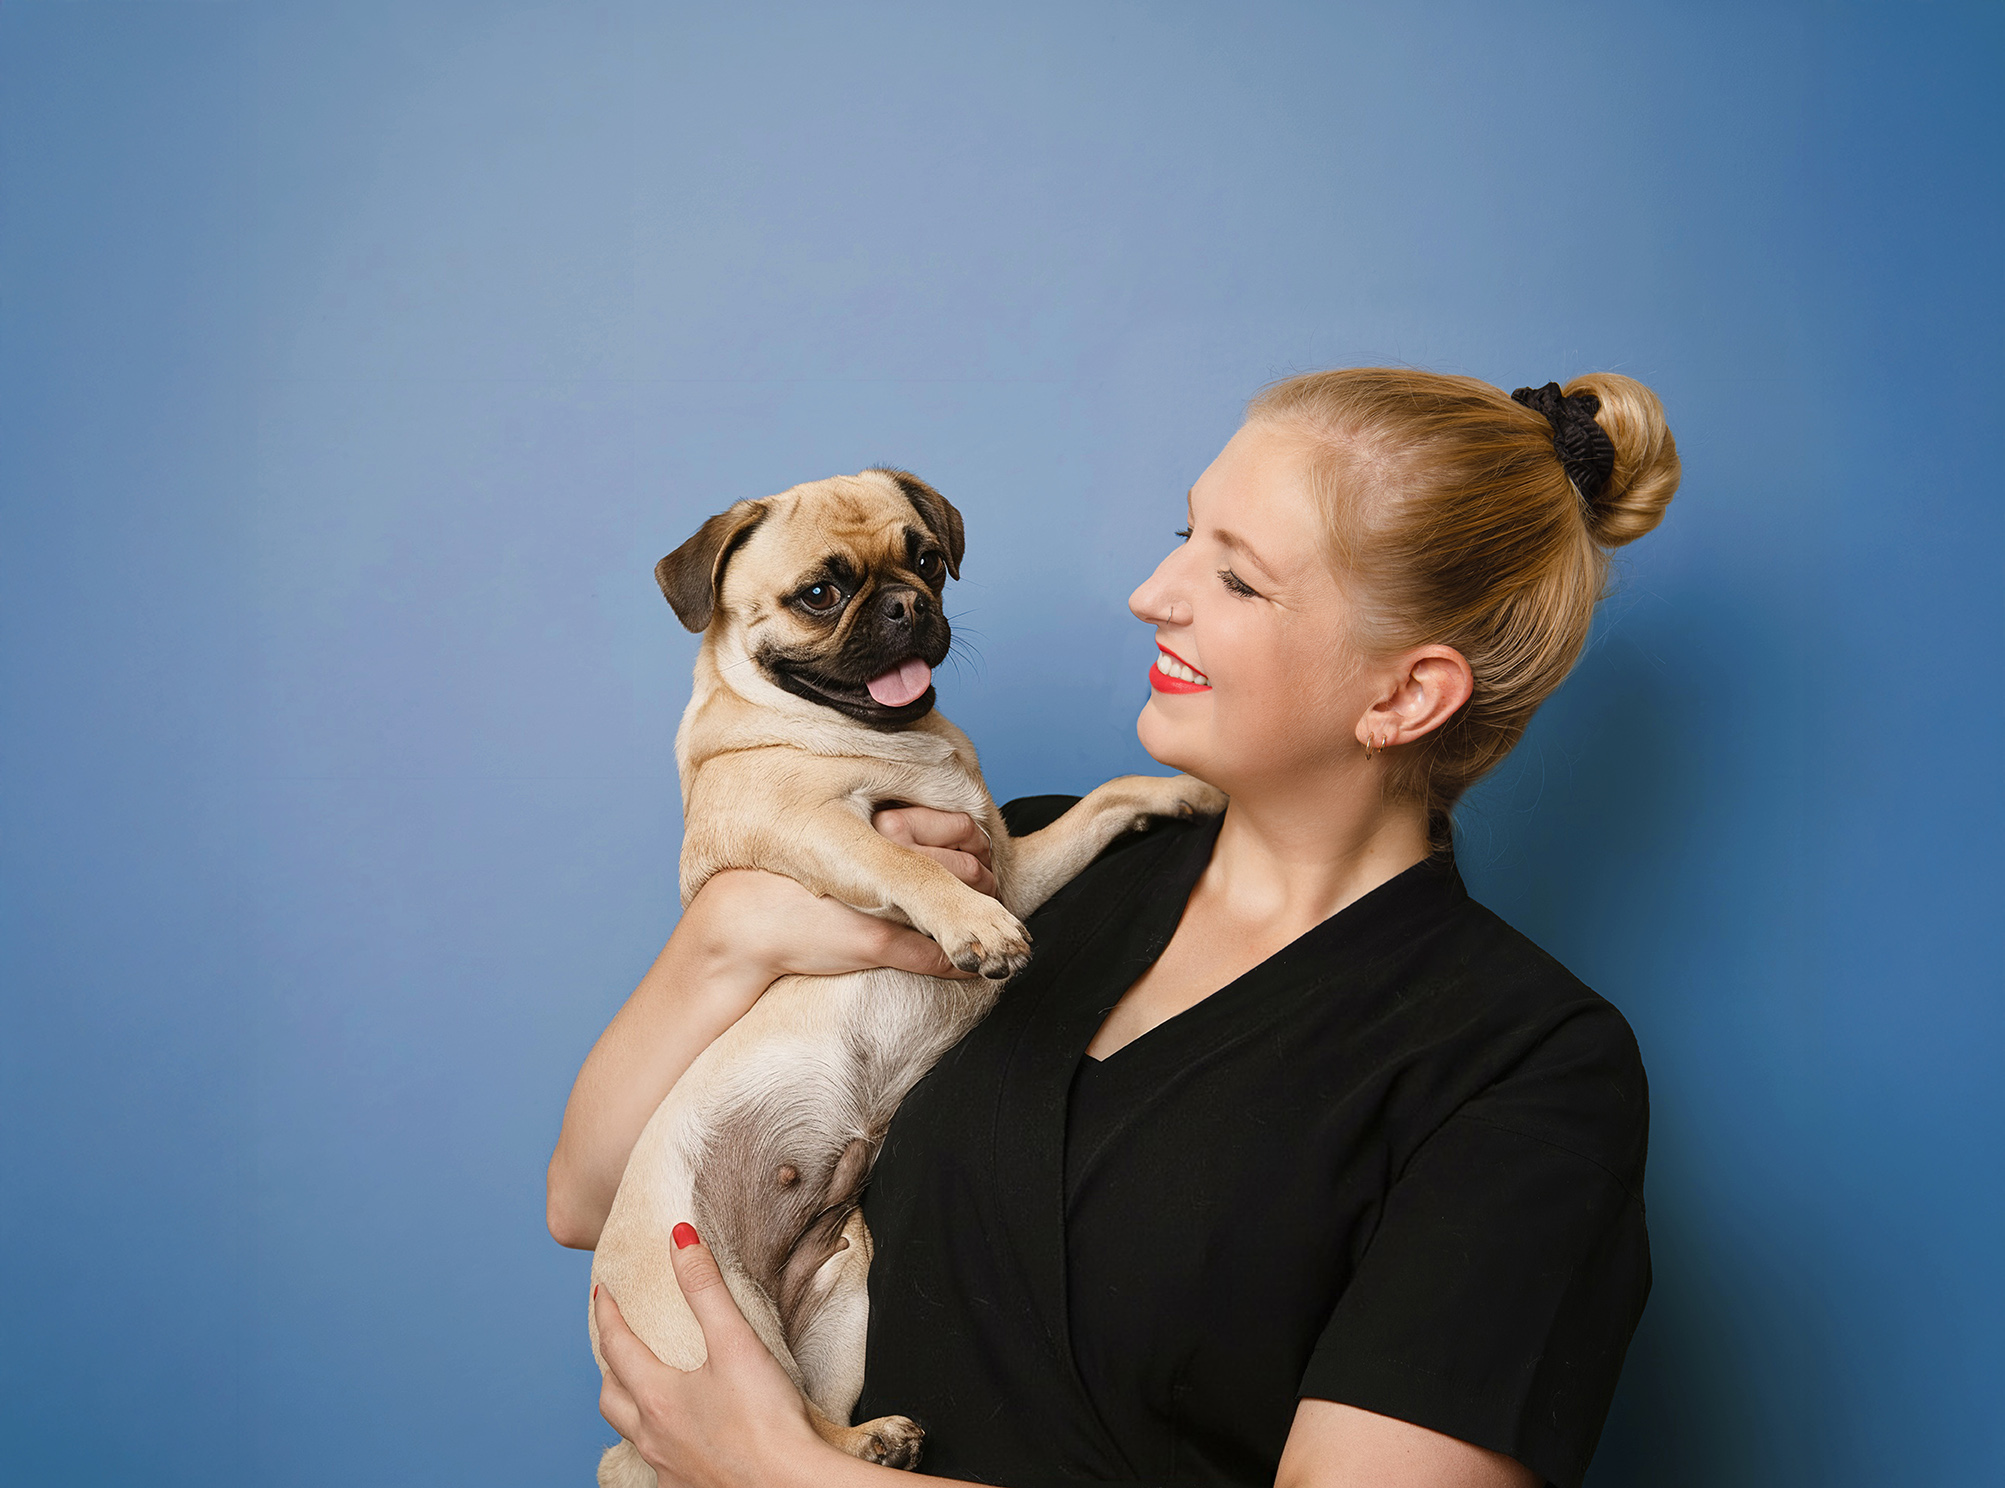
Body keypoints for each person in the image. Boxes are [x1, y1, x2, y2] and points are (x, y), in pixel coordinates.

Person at [546, 368, 1681, 1488]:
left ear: (1402, 697)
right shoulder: (1018, 862)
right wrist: (728, 932)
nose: (1154, 591)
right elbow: (590, 1201)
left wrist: (777, 1471)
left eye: (1235, 578)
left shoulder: (1524, 1071)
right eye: (1182, 532)